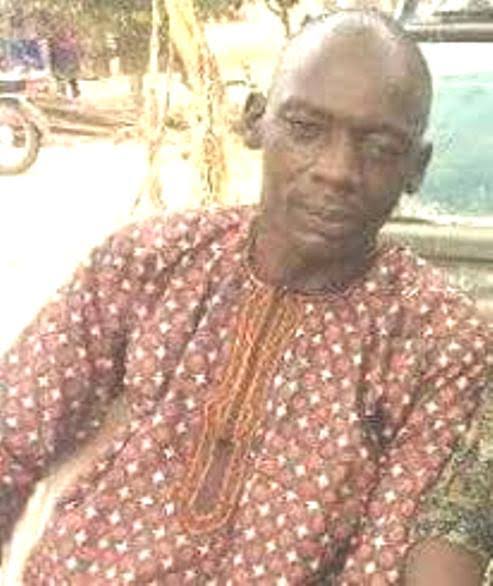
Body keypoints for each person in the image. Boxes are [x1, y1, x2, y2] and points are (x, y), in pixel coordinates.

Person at [0, 10, 491, 585]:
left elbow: (401, 554)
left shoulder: (437, 342)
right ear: (257, 121)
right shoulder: (147, 262)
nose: (337, 171)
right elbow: (13, 434)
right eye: (306, 128)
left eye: (380, 147)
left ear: (416, 167)